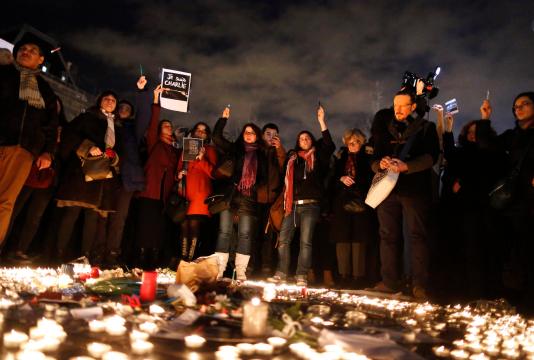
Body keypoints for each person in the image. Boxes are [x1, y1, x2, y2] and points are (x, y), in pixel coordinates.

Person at [369, 88, 440, 299]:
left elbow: (431, 157)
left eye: (403, 105)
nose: (398, 109)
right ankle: (389, 281)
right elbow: (373, 158)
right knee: (387, 235)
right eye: (395, 105)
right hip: (388, 190)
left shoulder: (426, 128)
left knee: (417, 236)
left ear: (413, 106)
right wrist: (379, 164)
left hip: (414, 190)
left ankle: (419, 284)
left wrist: (406, 166)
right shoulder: (384, 128)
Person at [0, 34, 59, 247]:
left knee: (5, 202)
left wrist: (48, 152)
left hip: (23, 150)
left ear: (41, 60)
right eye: (23, 48)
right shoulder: (4, 74)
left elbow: (51, 124)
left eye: (33, 50)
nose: (26, 51)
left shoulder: (45, 90)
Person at [268, 104, 335, 286]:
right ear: (298, 142)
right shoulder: (293, 159)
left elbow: (329, 145)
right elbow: (282, 171)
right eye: (301, 138)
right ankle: (281, 272)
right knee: (283, 240)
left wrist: (321, 121)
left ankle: (301, 275)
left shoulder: (318, 157)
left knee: (306, 242)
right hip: (292, 205)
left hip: (311, 205)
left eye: (307, 137)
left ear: (311, 141)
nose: (304, 139)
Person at [212, 107, 279, 281]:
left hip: (249, 198)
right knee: (224, 232)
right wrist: (223, 119)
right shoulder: (235, 149)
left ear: (257, 135)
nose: (248, 135)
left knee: (245, 234)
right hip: (231, 195)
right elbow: (216, 138)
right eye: (246, 132)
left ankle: (241, 271)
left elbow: (264, 177)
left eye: (252, 133)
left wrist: (252, 185)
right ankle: (219, 270)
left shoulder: (262, 155)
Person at [54, 90, 121, 262]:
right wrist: (87, 147)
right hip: (81, 173)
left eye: (113, 100)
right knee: (72, 213)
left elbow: (120, 151)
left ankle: (85, 257)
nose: (109, 101)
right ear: (99, 101)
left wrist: (114, 157)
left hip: (102, 177)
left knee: (92, 217)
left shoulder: (117, 125)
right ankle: (58, 254)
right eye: (106, 98)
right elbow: (69, 133)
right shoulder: (87, 118)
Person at [480, 94, 534, 306]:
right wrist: (485, 118)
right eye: (515, 107)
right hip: (512, 200)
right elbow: (487, 145)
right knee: (513, 249)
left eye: (524, 104)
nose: (518, 109)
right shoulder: (513, 135)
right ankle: (516, 297)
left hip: (530, 201)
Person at [134, 80, 179, 269]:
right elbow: (152, 124)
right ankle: (142, 257)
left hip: (164, 197)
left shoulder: (174, 150)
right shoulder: (155, 143)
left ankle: (154, 258)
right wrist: (155, 98)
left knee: (159, 229)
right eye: (166, 125)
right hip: (149, 193)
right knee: (145, 227)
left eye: (170, 125)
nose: (169, 127)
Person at [329, 129, 378, 288]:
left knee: (359, 240)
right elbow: (332, 178)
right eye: (350, 142)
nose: (353, 145)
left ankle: (358, 277)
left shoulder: (368, 158)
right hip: (342, 202)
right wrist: (341, 178)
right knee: (342, 239)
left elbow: (372, 178)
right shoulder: (340, 157)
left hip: (361, 201)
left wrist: (358, 184)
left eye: (356, 142)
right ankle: (344, 275)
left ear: (361, 143)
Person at [175, 122, 217, 261]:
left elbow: (213, 173)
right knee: (183, 226)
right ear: (193, 132)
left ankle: (190, 259)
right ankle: (182, 259)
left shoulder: (209, 150)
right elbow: (179, 168)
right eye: (198, 129)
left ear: (207, 135)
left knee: (194, 226)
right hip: (185, 192)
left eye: (204, 131)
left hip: (200, 193)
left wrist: (201, 158)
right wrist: (178, 174)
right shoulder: (186, 147)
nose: (200, 132)